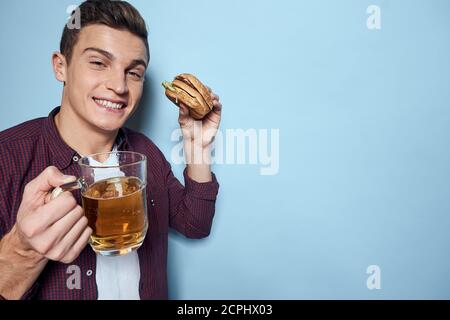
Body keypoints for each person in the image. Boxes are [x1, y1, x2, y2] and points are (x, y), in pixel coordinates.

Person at [0, 0, 221, 300]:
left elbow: (194, 223)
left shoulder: (146, 154)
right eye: (98, 63)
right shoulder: (7, 158)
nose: (119, 85)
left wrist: (197, 146)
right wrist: (22, 252)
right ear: (60, 66)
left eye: (134, 72)